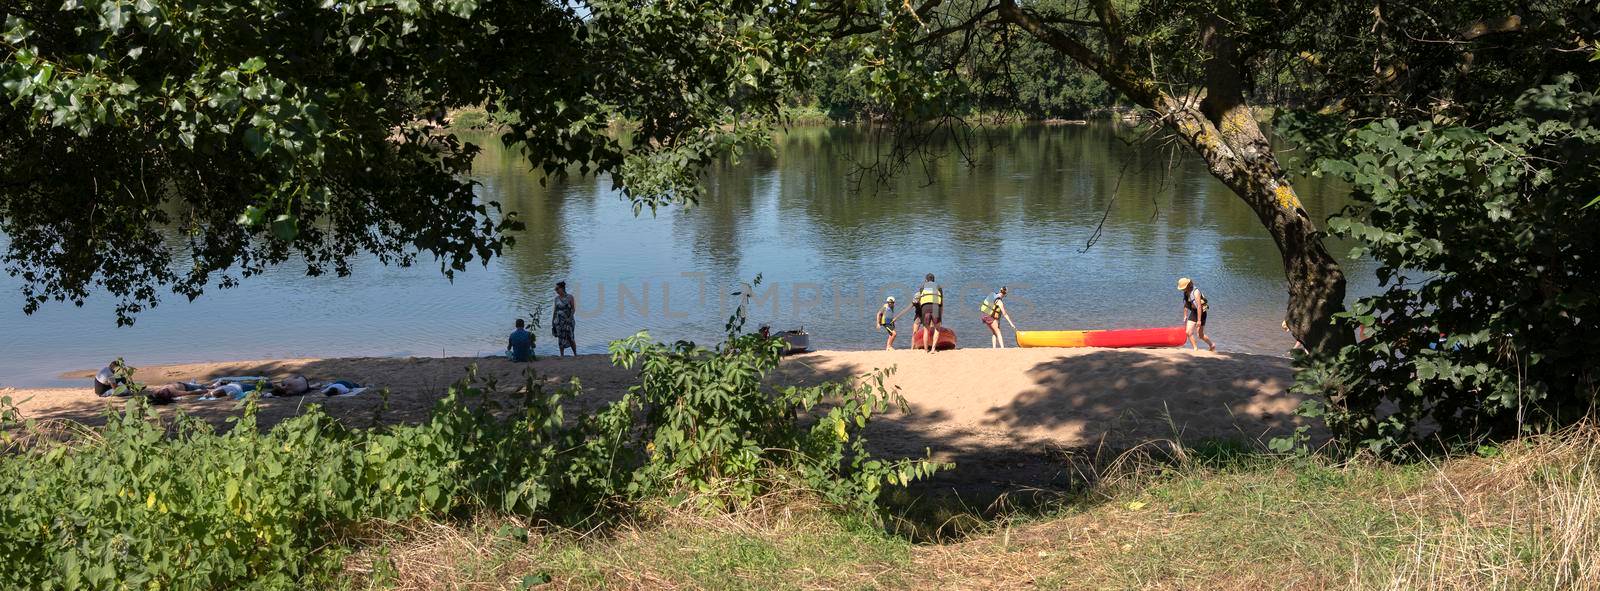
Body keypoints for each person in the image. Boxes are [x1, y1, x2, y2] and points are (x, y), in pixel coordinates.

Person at [1177, 277, 1215, 351]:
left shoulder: (1196, 292)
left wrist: (1199, 320)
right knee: (1188, 332)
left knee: (1200, 335)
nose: (1182, 289)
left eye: (1183, 288)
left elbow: (1199, 307)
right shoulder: (1186, 292)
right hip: (1194, 312)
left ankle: (1212, 345)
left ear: (1187, 285)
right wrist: (1185, 315)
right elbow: (1185, 304)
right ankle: (1195, 348)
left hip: (1201, 313)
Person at [915, 273, 944, 353]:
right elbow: (941, 301)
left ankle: (925, 350)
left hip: (925, 307)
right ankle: (933, 349)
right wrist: (941, 312)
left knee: (926, 330)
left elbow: (920, 300)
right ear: (934, 280)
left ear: (926, 280)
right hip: (935, 307)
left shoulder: (922, 287)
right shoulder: (938, 287)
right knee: (937, 329)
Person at [552, 281, 576, 357]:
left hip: (568, 321)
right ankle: (562, 355)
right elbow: (555, 310)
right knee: (560, 337)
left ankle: (575, 354)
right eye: (555, 289)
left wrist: (570, 318)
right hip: (558, 321)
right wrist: (553, 321)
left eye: (557, 289)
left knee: (570, 337)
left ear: (562, 288)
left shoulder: (570, 297)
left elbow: (573, 309)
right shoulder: (556, 299)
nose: (556, 290)